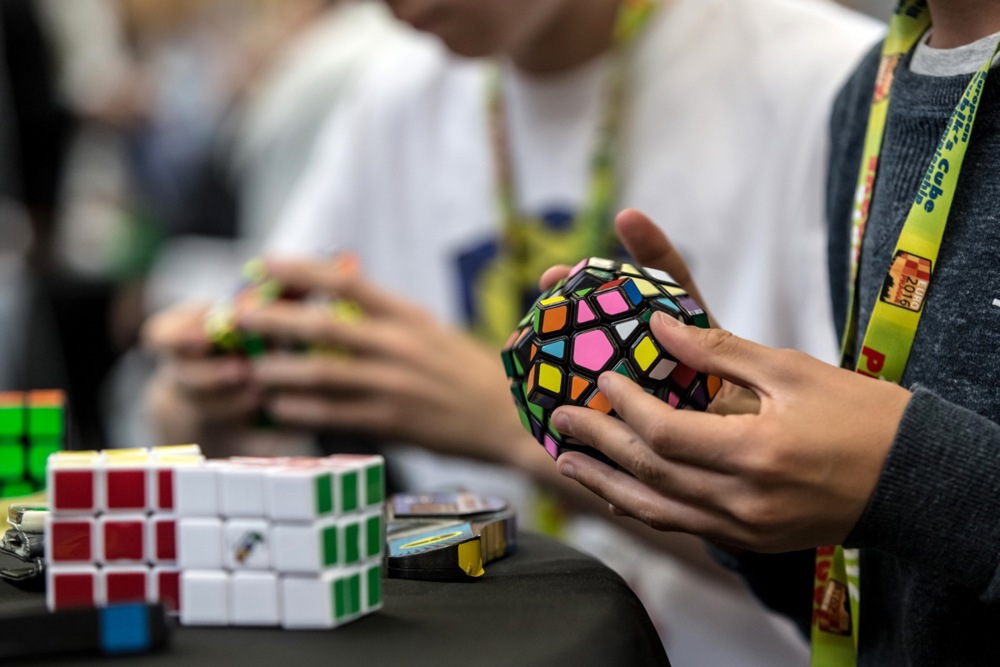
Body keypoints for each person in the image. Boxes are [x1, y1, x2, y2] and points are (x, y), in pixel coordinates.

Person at [143, 0, 882, 662]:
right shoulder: (391, 101)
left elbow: (870, 558)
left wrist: (506, 424)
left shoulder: (827, 80)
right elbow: (190, 419)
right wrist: (207, 393)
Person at [545, 0, 1000, 663]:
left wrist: (915, 478)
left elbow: (928, 496)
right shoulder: (871, 93)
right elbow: (906, 611)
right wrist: (754, 481)